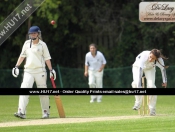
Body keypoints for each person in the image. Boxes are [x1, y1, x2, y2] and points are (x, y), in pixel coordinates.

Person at [12, 26, 56, 119]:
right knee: (24, 89)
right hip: (28, 71)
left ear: (38, 34)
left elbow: (47, 58)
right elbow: (22, 56)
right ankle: (21, 112)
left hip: (40, 71)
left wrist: (51, 70)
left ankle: (46, 112)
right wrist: (16, 66)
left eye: (34, 33)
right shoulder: (27, 44)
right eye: (31, 33)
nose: (32, 35)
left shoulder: (43, 45)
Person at [131, 49, 168, 116]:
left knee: (151, 87)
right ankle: (138, 103)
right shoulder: (144, 56)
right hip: (137, 67)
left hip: (150, 69)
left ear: (157, 58)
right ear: (149, 54)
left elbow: (163, 69)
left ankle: (152, 110)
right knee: (135, 84)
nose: (150, 59)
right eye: (150, 57)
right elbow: (140, 70)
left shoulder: (160, 60)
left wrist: (164, 81)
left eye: (153, 58)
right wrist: (139, 87)